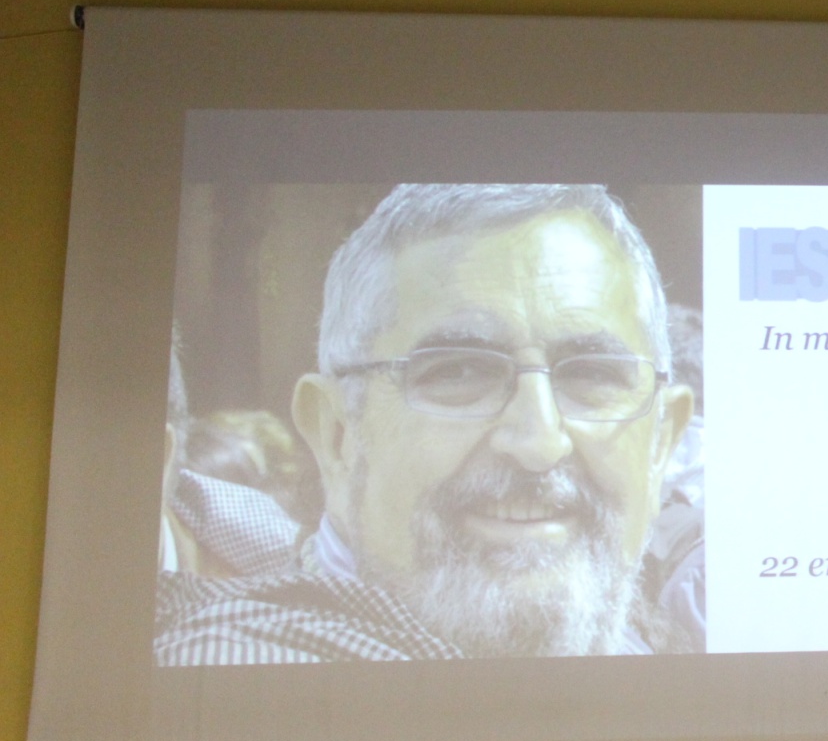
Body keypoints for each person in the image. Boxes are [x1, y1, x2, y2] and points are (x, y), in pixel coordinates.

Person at [155, 184, 696, 664]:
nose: (539, 443)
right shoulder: (243, 686)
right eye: (459, 371)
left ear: (661, 443)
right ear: (336, 435)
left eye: (595, 375)